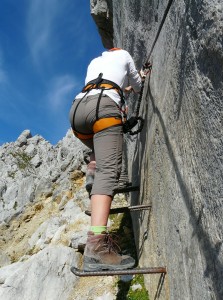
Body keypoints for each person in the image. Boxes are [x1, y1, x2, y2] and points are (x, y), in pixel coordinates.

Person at [69, 47, 143, 271]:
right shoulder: (125, 55)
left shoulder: (94, 62)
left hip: (78, 111)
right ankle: (97, 246)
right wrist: (140, 78)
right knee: (109, 172)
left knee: (98, 145)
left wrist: (123, 89)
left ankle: (92, 169)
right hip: (104, 109)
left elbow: (110, 85)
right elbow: (138, 86)